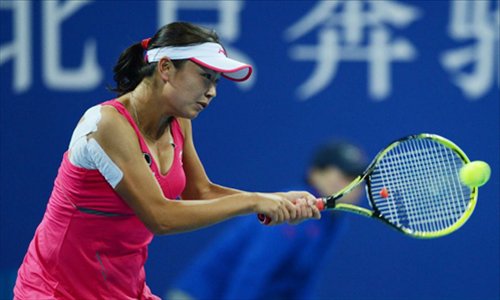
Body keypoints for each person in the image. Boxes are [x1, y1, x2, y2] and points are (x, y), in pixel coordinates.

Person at [13, 22, 321, 300]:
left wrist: (276, 199)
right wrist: (254, 202)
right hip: (55, 291)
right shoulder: (107, 124)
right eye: (205, 77)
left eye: (216, 82)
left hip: (121, 291)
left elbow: (199, 192)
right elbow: (160, 216)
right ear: (165, 68)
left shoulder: (178, 121)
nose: (212, 92)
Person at [166, 140, 368, 300]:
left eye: (356, 178)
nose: (352, 186)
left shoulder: (334, 223)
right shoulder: (294, 209)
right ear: (314, 173)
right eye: (342, 176)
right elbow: (252, 272)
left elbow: (303, 282)